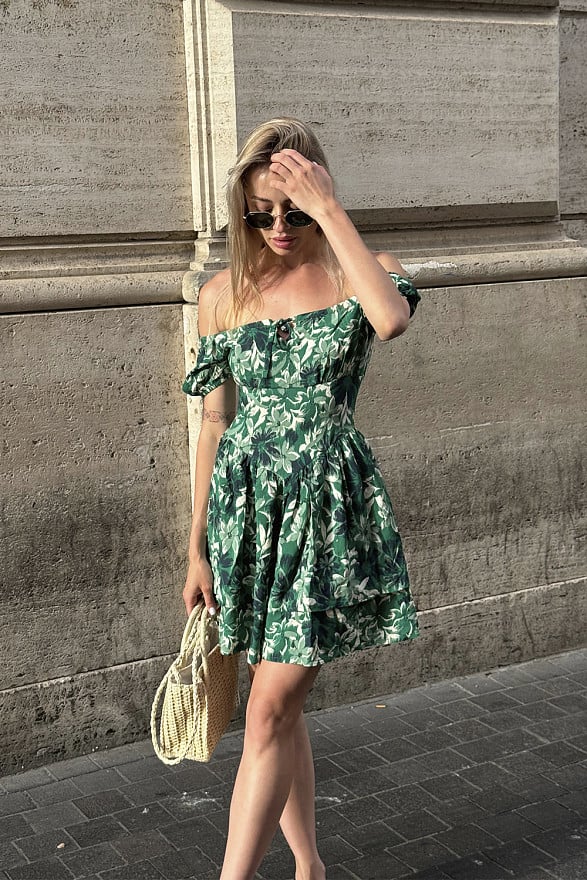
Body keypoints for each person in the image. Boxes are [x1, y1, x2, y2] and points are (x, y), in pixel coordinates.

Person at [181, 117, 421, 880]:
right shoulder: (222, 295)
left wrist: (328, 211)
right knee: (273, 704)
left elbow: (389, 319)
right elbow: (215, 419)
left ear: (318, 194)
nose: (276, 226)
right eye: (259, 212)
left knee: (269, 707)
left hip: (325, 511)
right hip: (246, 515)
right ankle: (309, 866)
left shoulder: (361, 271)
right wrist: (194, 545)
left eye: (291, 208)